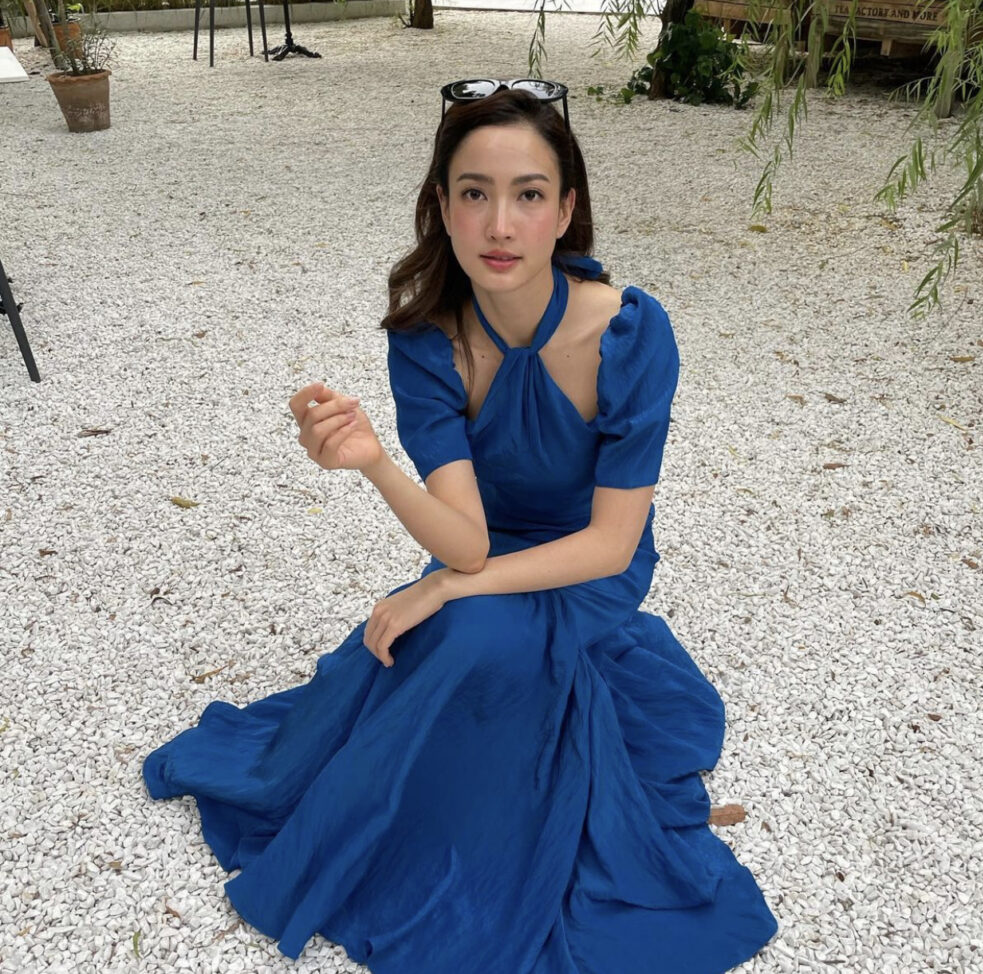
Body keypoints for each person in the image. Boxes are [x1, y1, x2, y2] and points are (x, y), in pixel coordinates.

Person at [143, 80, 778, 973]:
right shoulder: (427, 340)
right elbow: (469, 541)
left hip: (591, 566)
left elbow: (611, 544)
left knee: (467, 632)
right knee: (465, 635)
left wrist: (446, 587)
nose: (500, 226)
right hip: (490, 554)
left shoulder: (629, 335)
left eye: (529, 195)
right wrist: (373, 463)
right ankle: (402, 835)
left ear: (567, 210)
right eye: (474, 193)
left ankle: (464, 859)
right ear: (442, 208)